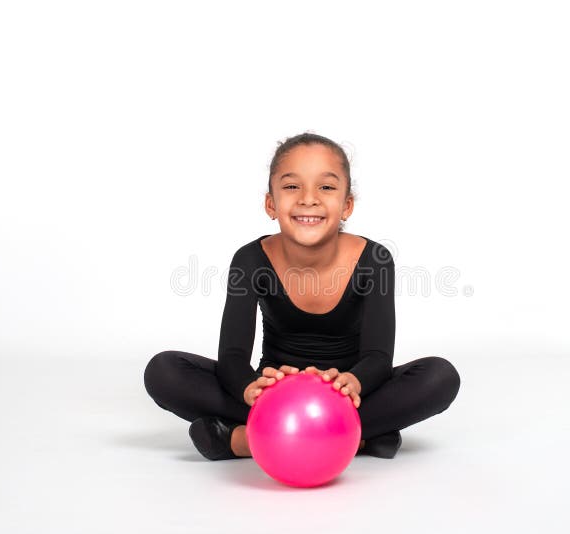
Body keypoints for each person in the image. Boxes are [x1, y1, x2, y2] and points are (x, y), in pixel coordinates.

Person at [144, 132, 461, 461]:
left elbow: (378, 357)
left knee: (440, 376)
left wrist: (354, 379)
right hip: (273, 392)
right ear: (271, 203)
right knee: (164, 371)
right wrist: (249, 388)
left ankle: (244, 440)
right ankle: (358, 436)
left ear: (346, 205)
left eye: (326, 187)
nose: (308, 199)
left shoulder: (375, 259)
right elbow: (233, 356)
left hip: (345, 391)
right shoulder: (250, 259)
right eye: (292, 186)